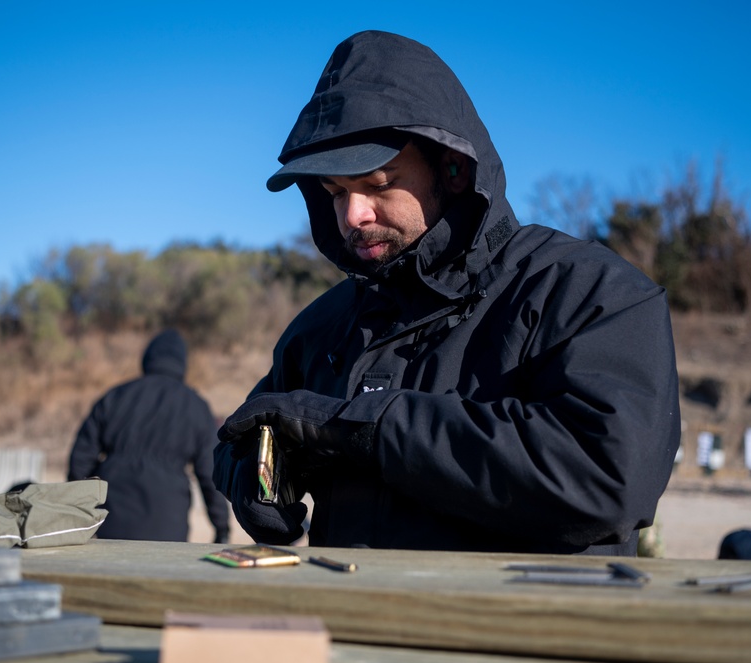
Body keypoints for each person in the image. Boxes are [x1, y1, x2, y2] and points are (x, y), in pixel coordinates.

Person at [213, 30, 680, 555]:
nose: (353, 215)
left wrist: (364, 427)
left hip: (522, 632)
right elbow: (247, 431)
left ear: (453, 168)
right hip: (351, 626)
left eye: (378, 183)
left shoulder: (589, 290)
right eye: (336, 193)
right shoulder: (319, 327)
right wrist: (254, 476)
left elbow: (605, 477)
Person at [68, 329, 229, 543]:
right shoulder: (196, 407)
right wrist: (222, 528)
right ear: (182, 364)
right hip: (168, 525)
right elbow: (211, 475)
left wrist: (81, 514)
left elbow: (80, 461)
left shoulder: (115, 397)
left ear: (147, 359)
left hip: (111, 520)